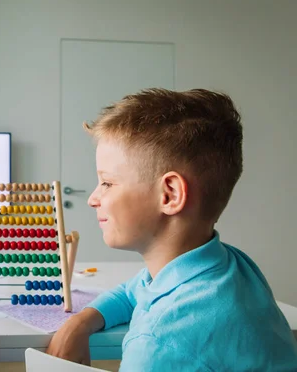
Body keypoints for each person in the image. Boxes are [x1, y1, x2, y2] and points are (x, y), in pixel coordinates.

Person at [46, 89, 297, 370]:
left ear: (169, 194)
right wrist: (81, 321)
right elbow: (134, 291)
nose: (93, 199)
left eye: (107, 183)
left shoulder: (157, 344)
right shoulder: (232, 266)